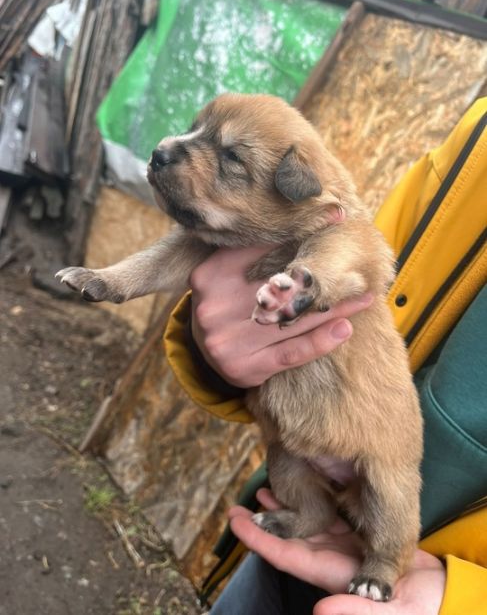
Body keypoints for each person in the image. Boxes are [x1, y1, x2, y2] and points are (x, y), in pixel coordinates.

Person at [164, 99, 487, 614]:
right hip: (291, 519)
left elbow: (354, 256)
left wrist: (467, 602)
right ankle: (305, 513)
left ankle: (385, 560)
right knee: (290, 475)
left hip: (425, 564)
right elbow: (369, 255)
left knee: (389, 492)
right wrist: (217, 347)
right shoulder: (478, 134)